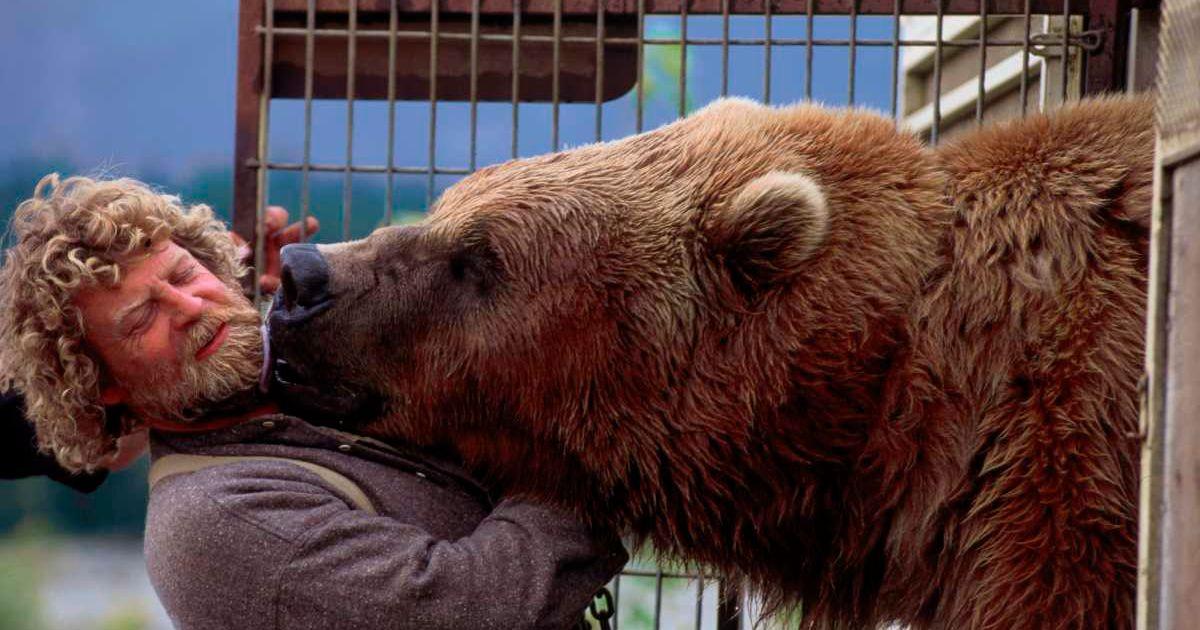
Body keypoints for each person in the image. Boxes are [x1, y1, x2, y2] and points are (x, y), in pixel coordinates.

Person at [0, 174, 626, 629]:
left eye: (186, 274)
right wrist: (600, 430)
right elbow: (483, 604)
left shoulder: (294, 390)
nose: (191, 308)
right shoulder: (217, 522)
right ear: (100, 383)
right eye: (143, 319)